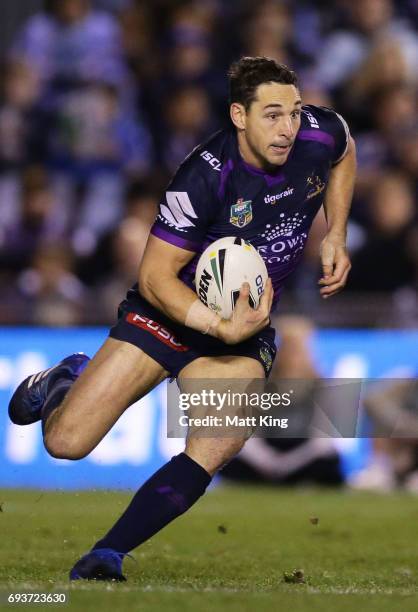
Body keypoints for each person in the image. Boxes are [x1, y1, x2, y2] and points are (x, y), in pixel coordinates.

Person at [8, 57, 356, 581]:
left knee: (218, 442)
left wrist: (335, 232)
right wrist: (216, 326)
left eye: (294, 112)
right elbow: (154, 277)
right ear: (239, 115)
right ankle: (66, 377)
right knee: (66, 443)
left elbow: (345, 153)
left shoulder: (319, 133)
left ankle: (108, 554)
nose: (288, 128)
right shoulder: (204, 175)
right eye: (272, 115)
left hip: (241, 329)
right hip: (166, 316)